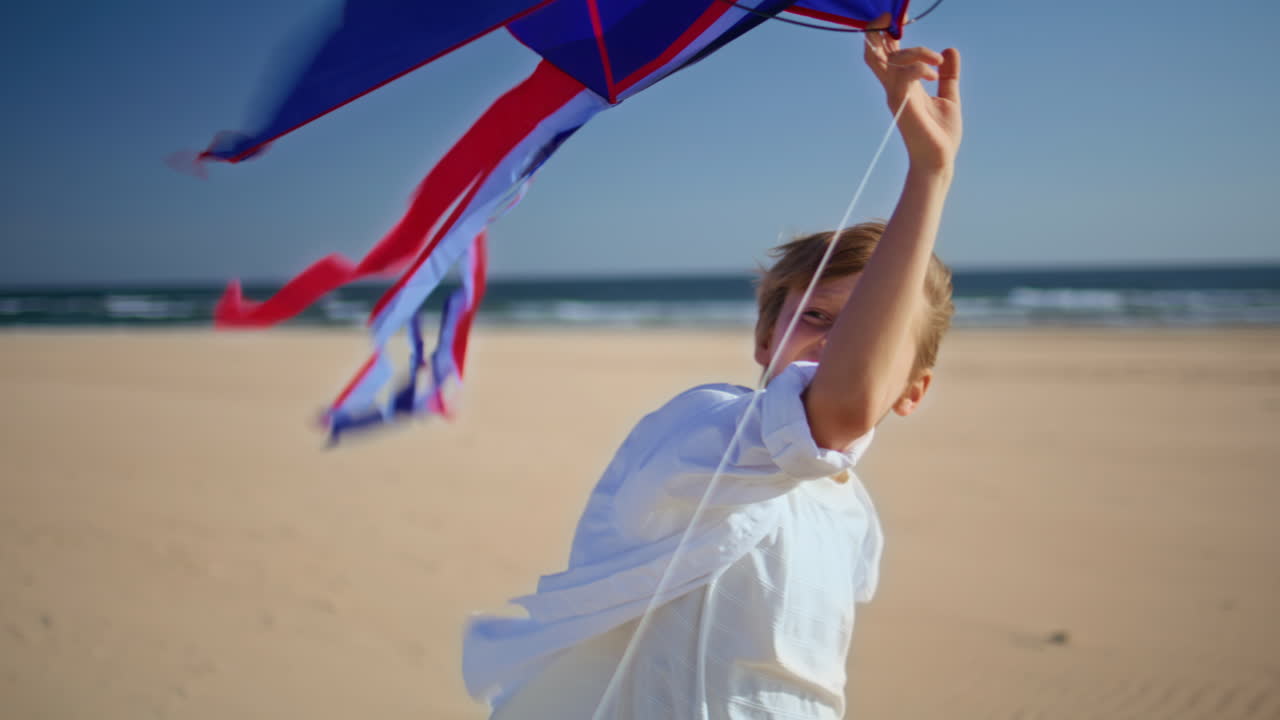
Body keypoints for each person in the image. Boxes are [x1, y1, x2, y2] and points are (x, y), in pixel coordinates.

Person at [463, 25, 963, 719]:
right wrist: (929, 172)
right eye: (817, 317)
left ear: (912, 390)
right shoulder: (704, 425)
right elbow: (840, 408)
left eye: (869, 331)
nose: (836, 344)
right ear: (766, 337)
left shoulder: (851, 516)